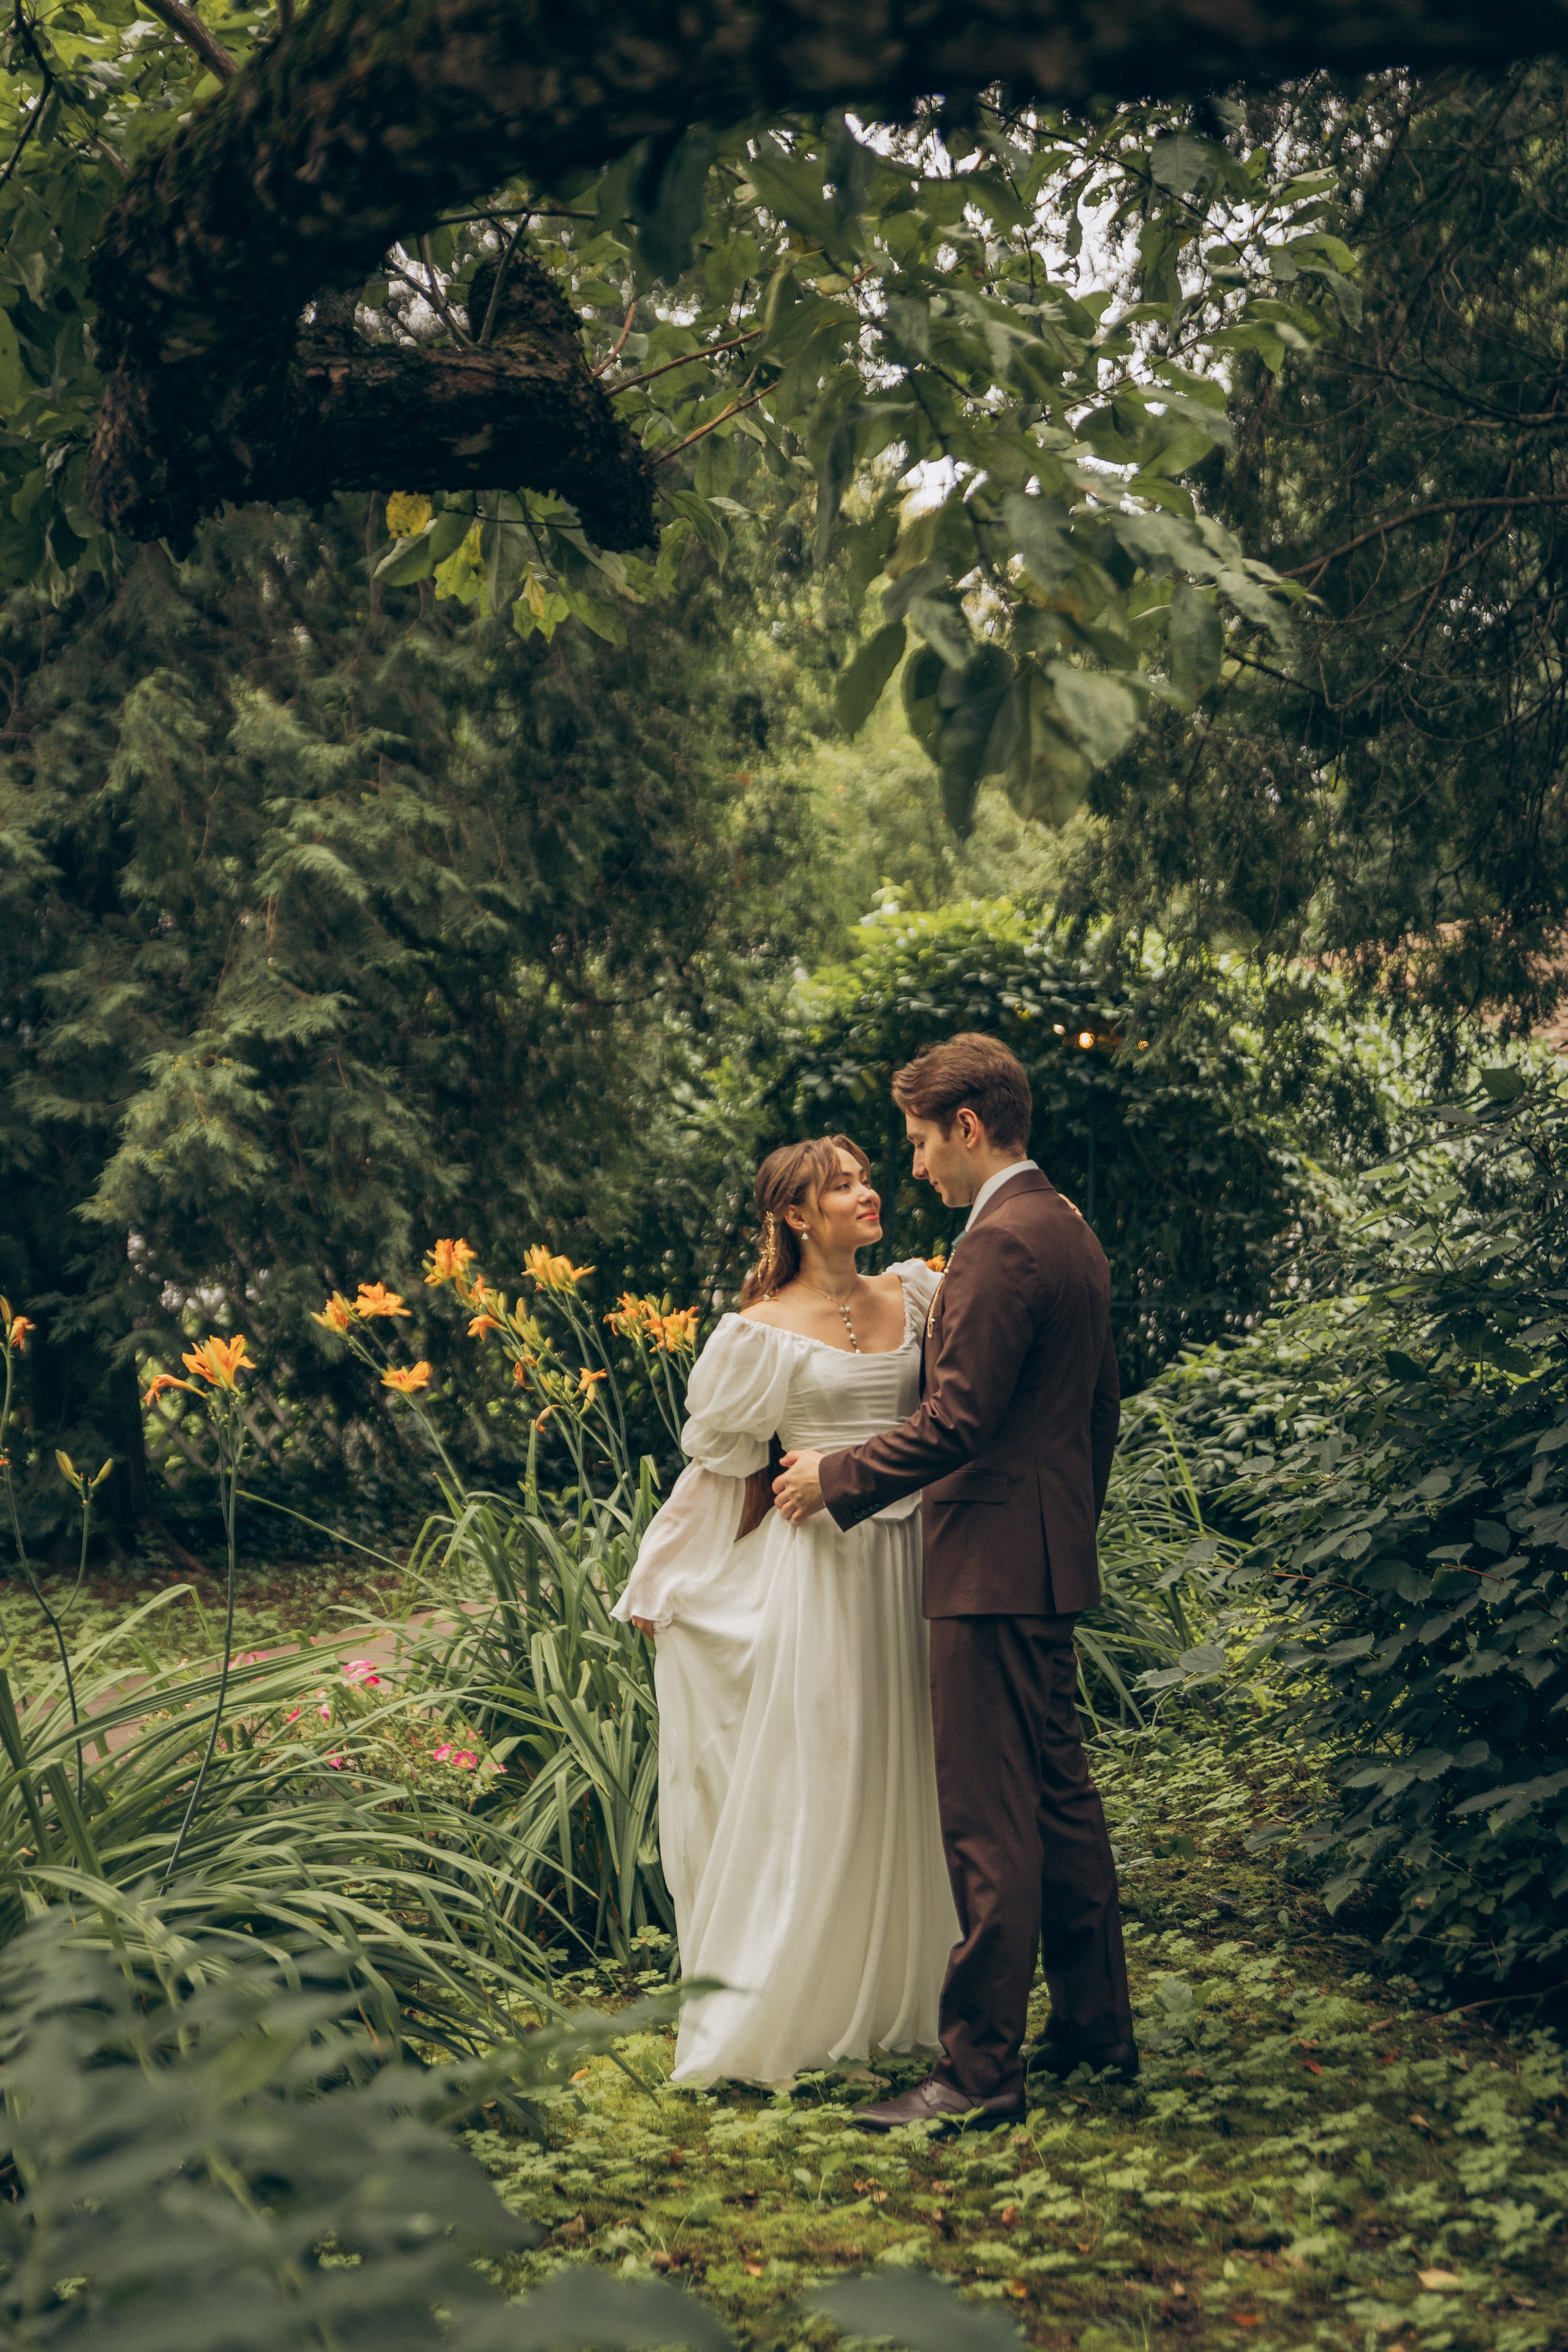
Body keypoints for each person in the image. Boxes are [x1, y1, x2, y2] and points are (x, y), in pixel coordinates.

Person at [772, 1033, 1136, 2131]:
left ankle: (978, 2074)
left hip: (985, 1565)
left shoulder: (994, 1248)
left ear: (969, 1128)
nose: (918, 1168)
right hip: (1043, 1551)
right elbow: (1100, 1412)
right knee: (1061, 1804)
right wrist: (1063, 1522)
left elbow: (959, 1421)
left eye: (924, 1144)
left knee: (989, 1823)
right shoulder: (1067, 1229)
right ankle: (1092, 2032)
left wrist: (838, 1475)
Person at [612, 1134, 958, 2086]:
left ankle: (909, 1997)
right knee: (830, 1773)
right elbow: (721, 1474)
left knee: (909, 1768)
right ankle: (790, 2011)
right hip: (824, 1577)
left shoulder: (919, 1294)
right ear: (796, 1217)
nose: (865, 1193)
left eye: (863, 1179)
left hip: (915, 1565)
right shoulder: (758, 1331)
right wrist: (666, 1572)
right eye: (838, 1187)